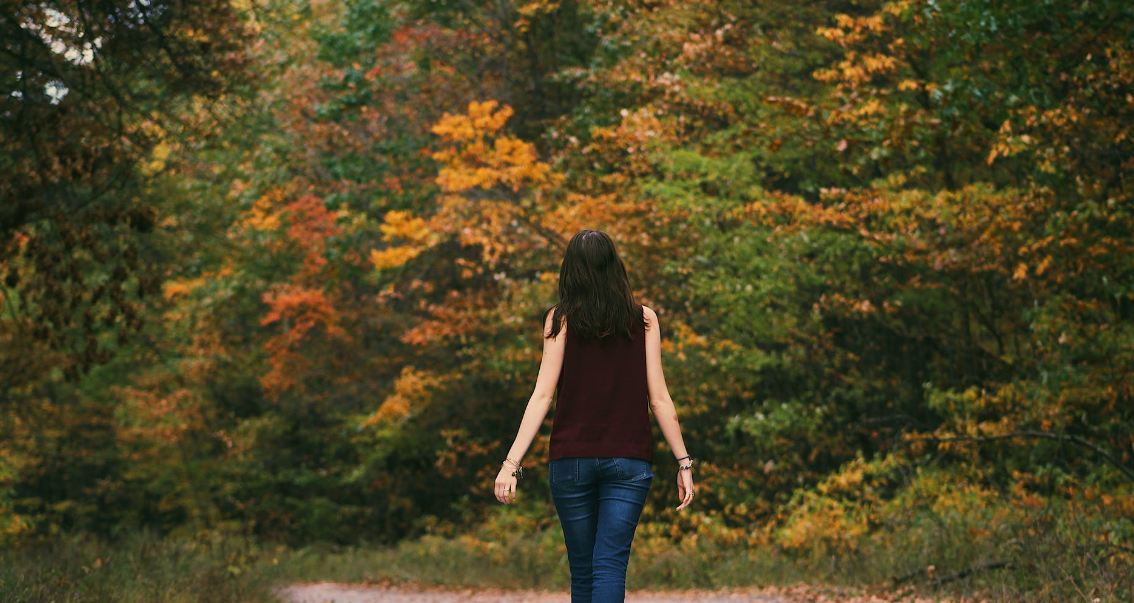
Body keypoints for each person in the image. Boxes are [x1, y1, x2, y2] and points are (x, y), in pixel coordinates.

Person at [493, 228, 696, 603]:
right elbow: (660, 399)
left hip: (572, 460)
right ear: (615, 266)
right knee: (610, 566)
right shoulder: (644, 319)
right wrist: (683, 462)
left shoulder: (560, 319)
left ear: (570, 271)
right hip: (629, 461)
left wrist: (511, 463)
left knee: (583, 570)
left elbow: (541, 396)